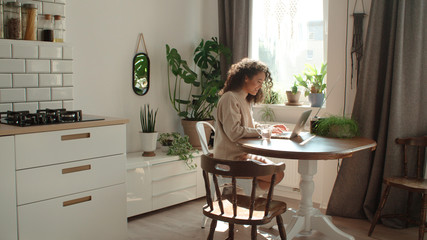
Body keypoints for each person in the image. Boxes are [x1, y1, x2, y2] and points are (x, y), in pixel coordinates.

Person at [213, 58, 286, 191]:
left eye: (262, 82)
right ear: (246, 78)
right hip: (229, 160)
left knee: (277, 172)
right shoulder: (230, 98)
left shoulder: (245, 100)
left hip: (242, 155)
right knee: (276, 174)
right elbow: (234, 132)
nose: (260, 86)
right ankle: (242, 199)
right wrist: (262, 132)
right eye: (258, 81)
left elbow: (249, 125)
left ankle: (240, 198)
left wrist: (269, 129)